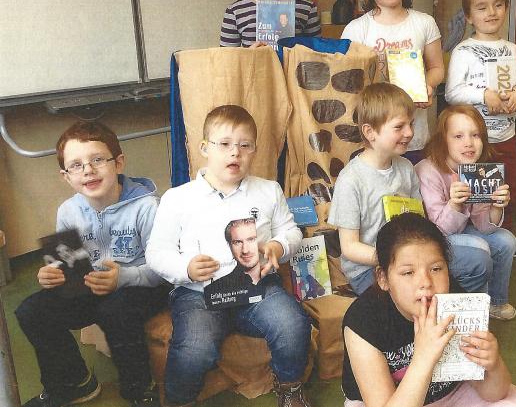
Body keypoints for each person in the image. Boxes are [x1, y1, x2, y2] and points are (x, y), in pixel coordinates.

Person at [146, 105, 313, 407]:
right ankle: (178, 400)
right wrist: (186, 268)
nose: (235, 152)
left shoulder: (268, 190)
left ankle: (289, 386)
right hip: (199, 293)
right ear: (204, 148)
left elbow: (291, 231)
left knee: (292, 324)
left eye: (245, 145)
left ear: (254, 150)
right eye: (224, 144)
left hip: (258, 287)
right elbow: (157, 252)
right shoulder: (178, 199)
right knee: (196, 347)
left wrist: (278, 246)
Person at [15, 121, 168, 407]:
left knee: (115, 310)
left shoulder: (148, 207)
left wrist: (122, 278)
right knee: (32, 310)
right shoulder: (68, 211)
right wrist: (52, 275)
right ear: (66, 176)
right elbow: (67, 265)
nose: (88, 170)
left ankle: (138, 388)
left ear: (118, 163)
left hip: (142, 284)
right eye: (76, 165)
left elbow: (163, 269)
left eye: (98, 160)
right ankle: (74, 383)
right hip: (91, 285)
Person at [341, 212, 516, 407]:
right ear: (383, 278)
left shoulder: (455, 301)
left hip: (451, 394)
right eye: (408, 272)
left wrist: (494, 365)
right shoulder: (363, 321)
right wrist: (423, 358)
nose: (425, 282)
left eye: (436, 269)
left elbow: (493, 393)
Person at [445, 0, 516, 258]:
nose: (491, 12)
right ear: (469, 16)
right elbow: (452, 92)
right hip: (474, 141)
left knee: (508, 191)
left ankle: (505, 239)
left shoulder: (513, 50)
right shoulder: (463, 51)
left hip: (505, 136)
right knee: (475, 193)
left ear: (506, 8)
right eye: (482, 7)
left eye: (498, 5)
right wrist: (483, 95)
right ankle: (478, 240)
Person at [341, 0, 445, 165]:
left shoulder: (424, 22)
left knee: (413, 186)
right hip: (374, 137)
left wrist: (427, 85)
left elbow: (437, 69)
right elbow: (348, 82)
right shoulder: (356, 29)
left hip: (413, 134)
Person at [415, 106, 516, 320]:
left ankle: (496, 302)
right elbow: (438, 230)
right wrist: (454, 204)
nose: (468, 143)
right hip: (432, 238)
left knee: (506, 240)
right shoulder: (427, 170)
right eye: (458, 136)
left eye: (475, 135)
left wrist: (496, 205)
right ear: (443, 141)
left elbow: (483, 226)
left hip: (460, 231)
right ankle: (468, 312)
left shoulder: (476, 170)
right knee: (479, 248)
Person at [328, 83, 422, 295]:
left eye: (411, 124)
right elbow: (349, 247)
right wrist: (394, 259)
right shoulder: (350, 180)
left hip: (408, 259)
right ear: (370, 132)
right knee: (409, 296)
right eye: (399, 127)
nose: (409, 133)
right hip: (367, 269)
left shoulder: (406, 168)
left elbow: (419, 220)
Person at [225, 217, 262, 284]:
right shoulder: (214, 288)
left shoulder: (278, 278)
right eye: (237, 242)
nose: (245, 250)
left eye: (251, 239)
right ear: (230, 246)